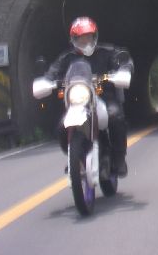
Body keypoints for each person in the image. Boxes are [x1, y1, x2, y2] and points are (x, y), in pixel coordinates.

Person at [44, 16, 133, 176]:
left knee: (115, 117)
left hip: (104, 96)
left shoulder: (107, 51)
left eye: (88, 37)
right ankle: (75, 158)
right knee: (62, 126)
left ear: (94, 36)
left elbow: (123, 61)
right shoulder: (67, 57)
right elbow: (53, 71)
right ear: (74, 39)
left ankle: (119, 158)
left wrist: (123, 70)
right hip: (78, 99)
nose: (85, 41)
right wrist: (47, 81)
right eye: (81, 38)